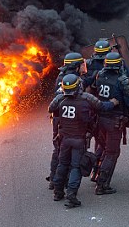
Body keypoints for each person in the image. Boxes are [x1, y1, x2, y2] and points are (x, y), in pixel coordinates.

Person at [48, 74, 116, 207]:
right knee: (76, 167)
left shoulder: (61, 99)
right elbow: (101, 107)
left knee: (62, 164)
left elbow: (51, 108)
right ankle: (71, 196)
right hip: (79, 139)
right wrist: (113, 103)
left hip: (64, 139)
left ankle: (58, 192)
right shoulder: (86, 99)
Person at [90, 52, 129, 195]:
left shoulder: (99, 76)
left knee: (103, 148)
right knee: (112, 152)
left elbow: (94, 92)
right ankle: (102, 185)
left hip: (100, 120)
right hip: (114, 121)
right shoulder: (122, 80)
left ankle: (95, 173)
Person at [46, 52, 87, 190]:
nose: (83, 66)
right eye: (82, 64)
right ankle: (64, 181)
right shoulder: (74, 81)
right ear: (76, 66)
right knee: (66, 153)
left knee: (58, 149)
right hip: (67, 120)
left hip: (58, 119)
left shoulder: (61, 78)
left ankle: (54, 179)